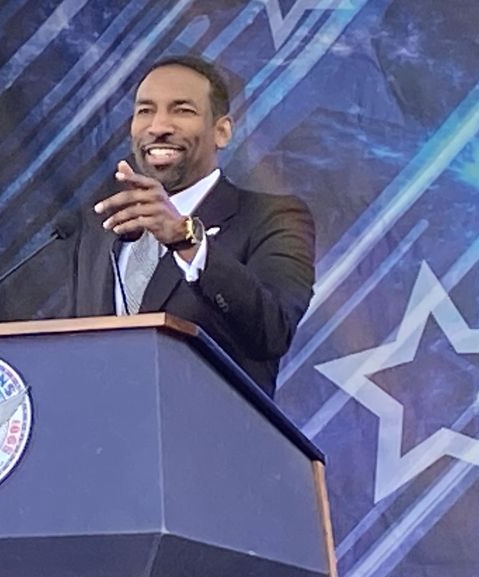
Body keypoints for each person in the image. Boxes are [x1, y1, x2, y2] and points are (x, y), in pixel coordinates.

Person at [63, 55, 316, 393]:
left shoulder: (272, 217)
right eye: (145, 111)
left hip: (211, 438)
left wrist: (187, 240)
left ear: (222, 131)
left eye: (182, 110)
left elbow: (273, 330)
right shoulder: (101, 228)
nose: (159, 126)